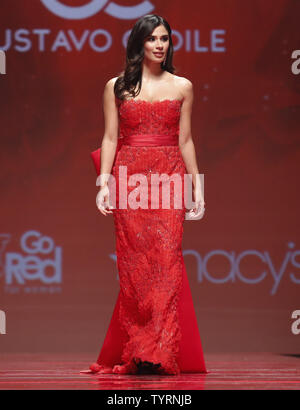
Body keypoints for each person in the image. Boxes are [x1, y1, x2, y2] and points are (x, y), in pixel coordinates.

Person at [85, 14, 207, 375]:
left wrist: (197, 186)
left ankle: (160, 349)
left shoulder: (183, 85)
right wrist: (103, 183)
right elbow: (110, 138)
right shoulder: (117, 86)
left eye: (164, 39)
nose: (159, 45)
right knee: (135, 268)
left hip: (169, 176)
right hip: (129, 178)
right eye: (152, 38)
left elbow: (185, 139)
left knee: (167, 261)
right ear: (138, 43)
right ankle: (140, 348)